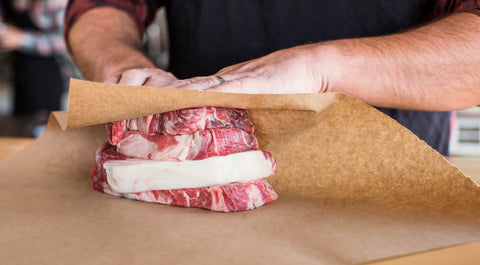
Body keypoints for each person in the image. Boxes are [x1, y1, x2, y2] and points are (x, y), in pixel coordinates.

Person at [64, 0, 480, 155]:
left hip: (391, 194)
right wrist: (118, 66)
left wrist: (321, 70)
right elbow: (99, 6)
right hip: (191, 167)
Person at [0, 0, 72, 136]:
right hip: (21, 71)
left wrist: (22, 39)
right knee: (20, 126)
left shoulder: (54, 2)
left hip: (45, 76)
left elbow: (64, 40)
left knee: (42, 131)